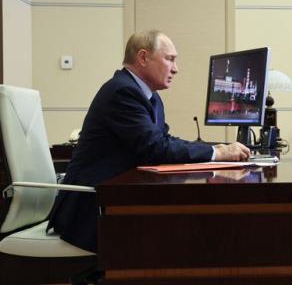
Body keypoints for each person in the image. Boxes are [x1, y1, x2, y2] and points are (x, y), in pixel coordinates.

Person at [46, 30, 251, 252]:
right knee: (180, 240)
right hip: (91, 211)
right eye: (169, 59)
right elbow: (156, 148)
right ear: (143, 57)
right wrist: (217, 154)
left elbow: (162, 140)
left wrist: (215, 149)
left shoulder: (149, 96)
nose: (176, 68)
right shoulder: (122, 91)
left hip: (114, 202)